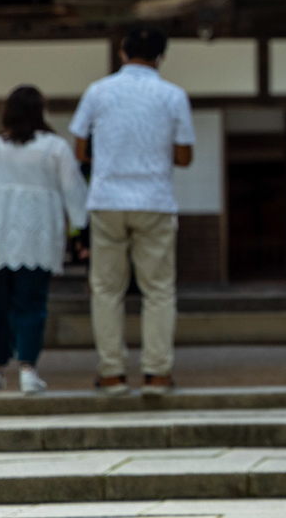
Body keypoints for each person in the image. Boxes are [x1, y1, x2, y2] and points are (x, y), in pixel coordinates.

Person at [70, 24, 195, 395]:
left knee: (106, 289)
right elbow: (185, 156)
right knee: (158, 290)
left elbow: (79, 150)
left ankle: (111, 373)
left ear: (122, 53)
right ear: (160, 57)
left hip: (107, 199)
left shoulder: (98, 91)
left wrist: (108, 157)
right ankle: (157, 374)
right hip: (154, 200)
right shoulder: (173, 95)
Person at [0, 85, 88, 394]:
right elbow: (75, 192)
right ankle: (28, 370)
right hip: (39, 238)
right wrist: (82, 228)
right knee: (32, 304)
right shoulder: (55, 148)